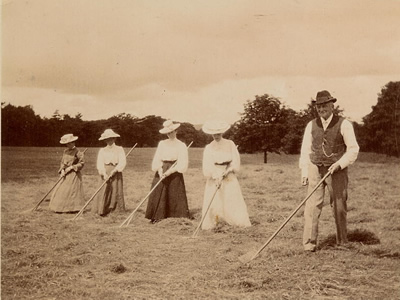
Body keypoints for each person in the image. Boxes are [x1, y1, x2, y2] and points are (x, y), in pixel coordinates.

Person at [299, 90, 359, 252]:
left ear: (332, 105)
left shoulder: (344, 124)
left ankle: (342, 241)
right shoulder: (311, 125)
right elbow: (305, 150)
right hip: (315, 166)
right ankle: (309, 243)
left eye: (325, 105)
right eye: (319, 106)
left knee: (339, 206)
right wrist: (304, 171)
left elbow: (353, 149)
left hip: (337, 169)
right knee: (312, 205)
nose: (321, 109)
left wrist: (340, 164)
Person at [200, 120, 251, 230]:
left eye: (218, 134)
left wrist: (228, 171)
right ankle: (217, 223)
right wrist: (215, 176)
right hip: (214, 175)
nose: (216, 136)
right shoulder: (209, 147)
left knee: (230, 197)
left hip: (228, 174)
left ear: (222, 133)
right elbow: (207, 165)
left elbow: (235, 161)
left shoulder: (230, 144)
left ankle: (234, 221)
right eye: (214, 134)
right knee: (216, 199)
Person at [145, 120, 190, 223]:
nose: (170, 134)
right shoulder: (162, 144)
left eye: (172, 132)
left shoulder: (181, 145)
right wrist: (160, 170)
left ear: (176, 131)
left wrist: (170, 171)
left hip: (174, 171)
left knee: (174, 192)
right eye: (168, 133)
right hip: (162, 168)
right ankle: (158, 215)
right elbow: (157, 158)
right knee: (159, 191)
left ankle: (175, 216)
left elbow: (182, 162)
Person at [92, 129, 126, 216]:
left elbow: (122, 161)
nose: (109, 141)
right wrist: (103, 173)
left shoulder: (119, 149)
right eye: (107, 139)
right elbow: (100, 163)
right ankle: (103, 209)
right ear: (104, 140)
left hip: (116, 171)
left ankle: (115, 209)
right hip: (105, 171)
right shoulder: (102, 150)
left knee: (115, 189)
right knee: (104, 190)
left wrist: (115, 170)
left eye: (111, 138)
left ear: (114, 139)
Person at [49, 134, 85, 213]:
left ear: (73, 142)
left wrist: (72, 167)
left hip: (74, 174)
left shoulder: (78, 152)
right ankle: (60, 208)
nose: (68, 145)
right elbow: (63, 162)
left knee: (71, 191)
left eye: (70, 143)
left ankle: (72, 208)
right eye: (67, 144)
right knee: (62, 190)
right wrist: (62, 170)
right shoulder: (65, 151)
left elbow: (81, 163)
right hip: (65, 174)